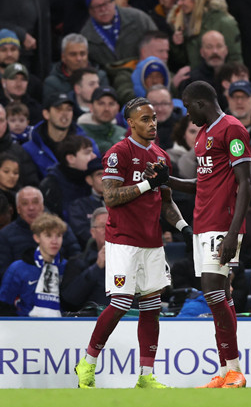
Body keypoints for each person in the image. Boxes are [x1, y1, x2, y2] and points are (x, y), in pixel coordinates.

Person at [74, 97, 192, 389]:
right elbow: (111, 197)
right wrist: (147, 184)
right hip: (123, 240)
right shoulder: (119, 153)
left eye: (154, 118)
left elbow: (166, 200)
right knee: (120, 303)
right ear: (130, 123)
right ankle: (87, 362)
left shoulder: (160, 156)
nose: (152, 124)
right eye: (145, 119)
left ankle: (145, 376)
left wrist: (183, 228)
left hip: (152, 242)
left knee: (152, 308)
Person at [170, 80, 251, 388]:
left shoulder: (232, 129)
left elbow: (246, 183)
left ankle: (234, 369)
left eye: (188, 107)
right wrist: (168, 181)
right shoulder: (203, 135)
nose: (187, 115)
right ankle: (226, 370)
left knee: (213, 292)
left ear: (201, 103)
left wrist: (232, 233)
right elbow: (202, 184)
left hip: (223, 224)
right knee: (220, 296)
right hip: (202, 224)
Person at [0, 186, 80, 279]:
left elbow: (76, 258)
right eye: (25, 203)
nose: (31, 208)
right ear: (18, 209)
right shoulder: (5, 235)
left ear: (42, 206)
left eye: (35, 202)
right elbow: (4, 272)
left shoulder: (61, 228)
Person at [0, 213, 68, 317]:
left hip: (61, 324)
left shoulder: (67, 267)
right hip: (24, 324)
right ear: (37, 238)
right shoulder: (18, 268)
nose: (54, 241)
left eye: (58, 236)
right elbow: (4, 304)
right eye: (48, 235)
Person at [81, 0, 158, 68]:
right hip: (108, 77)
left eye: (106, 3)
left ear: (113, 2)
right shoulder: (86, 36)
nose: (103, 9)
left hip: (144, 71)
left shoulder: (138, 19)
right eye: (97, 6)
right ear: (90, 10)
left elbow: (158, 44)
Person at [167, 0, 242, 69]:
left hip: (220, 76)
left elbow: (235, 59)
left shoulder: (224, 23)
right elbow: (183, 60)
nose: (179, 3)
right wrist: (176, 44)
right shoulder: (183, 21)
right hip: (196, 76)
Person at [61, 207, 110, 311]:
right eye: (103, 226)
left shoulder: (132, 260)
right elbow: (69, 299)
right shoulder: (77, 262)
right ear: (93, 232)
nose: (108, 230)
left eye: (112, 226)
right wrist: (96, 267)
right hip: (90, 319)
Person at [39, 135, 96, 222]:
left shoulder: (95, 179)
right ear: (71, 158)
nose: (94, 156)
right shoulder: (51, 185)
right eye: (87, 153)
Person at [42, 33, 110, 102]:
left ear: (87, 55)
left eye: (82, 54)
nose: (79, 58)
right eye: (73, 54)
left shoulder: (100, 76)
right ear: (63, 57)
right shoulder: (52, 83)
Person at [77, 87, 127, 155]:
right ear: (91, 107)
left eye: (111, 104)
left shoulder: (124, 133)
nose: (107, 109)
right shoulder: (80, 133)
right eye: (101, 103)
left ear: (117, 108)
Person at [68, 157, 105, 247]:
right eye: (99, 174)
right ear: (89, 180)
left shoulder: (124, 203)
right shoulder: (79, 206)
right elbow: (82, 233)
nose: (105, 178)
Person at [0, 104, 39, 187]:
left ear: (6, 123)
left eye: (1, 120)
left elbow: (31, 184)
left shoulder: (19, 152)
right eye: (13, 120)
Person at [147, 84, 184, 150]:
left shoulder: (184, 128)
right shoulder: (138, 129)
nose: (159, 109)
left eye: (164, 103)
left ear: (171, 105)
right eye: (154, 104)